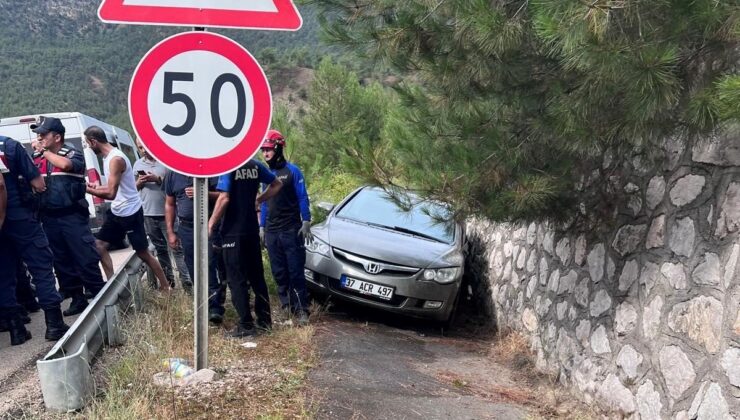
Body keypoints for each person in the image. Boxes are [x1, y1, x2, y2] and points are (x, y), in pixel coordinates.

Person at [31, 117, 106, 316]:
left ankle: (100, 299)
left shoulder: (72, 154)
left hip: (72, 216)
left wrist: (44, 152)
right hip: (49, 218)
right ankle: (77, 298)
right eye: (38, 134)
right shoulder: (38, 158)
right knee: (61, 262)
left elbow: (65, 166)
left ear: (57, 137)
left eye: (43, 134)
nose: (39, 137)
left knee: (85, 258)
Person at [0, 135, 69, 345]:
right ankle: (54, 324)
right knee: (41, 267)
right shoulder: (9, 145)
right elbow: (38, 183)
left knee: (5, 273)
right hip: (20, 217)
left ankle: (16, 330)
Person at [83, 126, 171, 291]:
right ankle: (113, 286)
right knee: (99, 246)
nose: (88, 147)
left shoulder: (116, 159)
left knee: (142, 253)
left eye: (88, 143)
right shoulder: (107, 157)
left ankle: (166, 287)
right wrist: (95, 186)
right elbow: (112, 187)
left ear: (94, 141)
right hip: (117, 210)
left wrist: (87, 189)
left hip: (130, 212)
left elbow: (110, 193)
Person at [209, 159, 282, 338]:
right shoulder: (255, 165)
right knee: (257, 277)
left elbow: (224, 198)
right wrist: (259, 199)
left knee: (236, 279)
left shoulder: (229, 165)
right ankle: (265, 321)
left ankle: (245, 325)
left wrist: (211, 224)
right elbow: (277, 184)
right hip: (251, 230)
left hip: (233, 231)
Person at [259, 130, 313, 324]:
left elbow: (302, 196)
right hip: (272, 232)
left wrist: (306, 220)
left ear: (278, 148)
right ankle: (286, 307)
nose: (265, 154)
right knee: (279, 272)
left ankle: (302, 310)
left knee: (295, 270)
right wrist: (262, 227)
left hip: (291, 229)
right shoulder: (265, 174)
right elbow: (264, 203)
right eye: (263, 150)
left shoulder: (293, 171)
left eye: (268, 150)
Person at [163, 169, 224, 321]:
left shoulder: (208, 168)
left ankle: (215, 307)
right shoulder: (172, 173)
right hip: (186, 227)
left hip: (209, 225)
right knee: (193, 267)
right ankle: (203, 304)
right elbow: (169, 204)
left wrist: (202, 192)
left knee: (209, 264)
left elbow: (223, 195)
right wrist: (170, 232)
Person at [134, 139, 191, 290]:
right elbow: (133, 188)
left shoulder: (165, 163)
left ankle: (187, 283)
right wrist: (139, 182)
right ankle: (169, 283)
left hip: (167, 214)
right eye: (140, 148)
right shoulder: (137, 165)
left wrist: (157, 179)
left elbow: (174, 184)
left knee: (177, 249)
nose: (143, 150)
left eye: (145, 146)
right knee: (160, 250)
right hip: (148, 213)